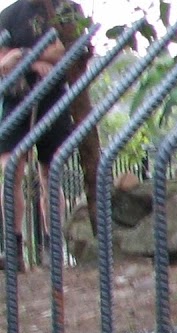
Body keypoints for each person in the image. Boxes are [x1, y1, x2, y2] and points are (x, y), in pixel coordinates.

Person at [0, 0, 85, 270]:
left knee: (52, 172)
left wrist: (21, 55)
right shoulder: (10, 14)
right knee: (11, 171)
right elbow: (2, 61)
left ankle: (54, 247)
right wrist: (35, 61)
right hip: (17, 97)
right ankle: (14, 251)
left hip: (55, 99)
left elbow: (67, 50)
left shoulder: (67, 8)